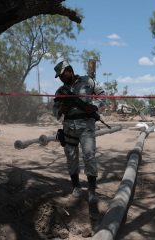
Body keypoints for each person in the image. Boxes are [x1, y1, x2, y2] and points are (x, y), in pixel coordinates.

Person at [53, 60, 106, 204]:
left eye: (63, 74)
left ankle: (92, 190)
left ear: (70, 70)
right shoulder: (60, 91)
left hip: (86, 126)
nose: (62, 78)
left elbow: (102, 95)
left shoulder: (88, 81)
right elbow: (55, 111)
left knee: (89, 155)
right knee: (71, 157)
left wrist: (94, 107)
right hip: (69, 126)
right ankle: (76, 187)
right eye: (59, 77)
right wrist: (60, 110)